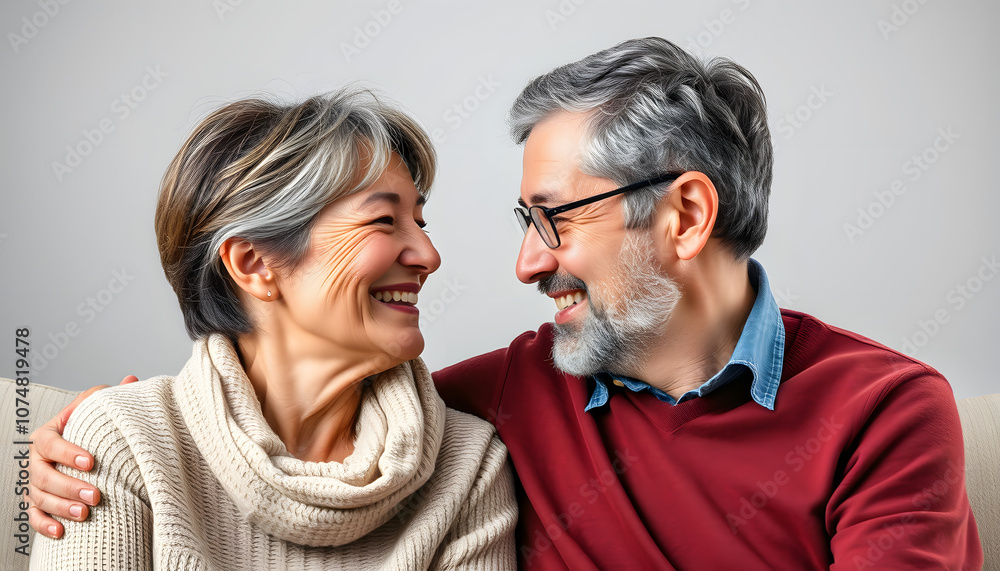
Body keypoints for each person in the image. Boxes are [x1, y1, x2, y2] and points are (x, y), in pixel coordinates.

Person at [29, 38, 982, 569]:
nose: (523, 264)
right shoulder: (496, 404)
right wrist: (85, 430)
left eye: (554, 219)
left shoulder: (884, 413)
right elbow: (295, 410)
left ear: (687, 214)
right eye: (522, 219)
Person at [27, 89, 517, 570]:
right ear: (254, 263)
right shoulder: (125, 442)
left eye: (420, 222)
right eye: (385, 220)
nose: (429, 257)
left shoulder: (468, 465)